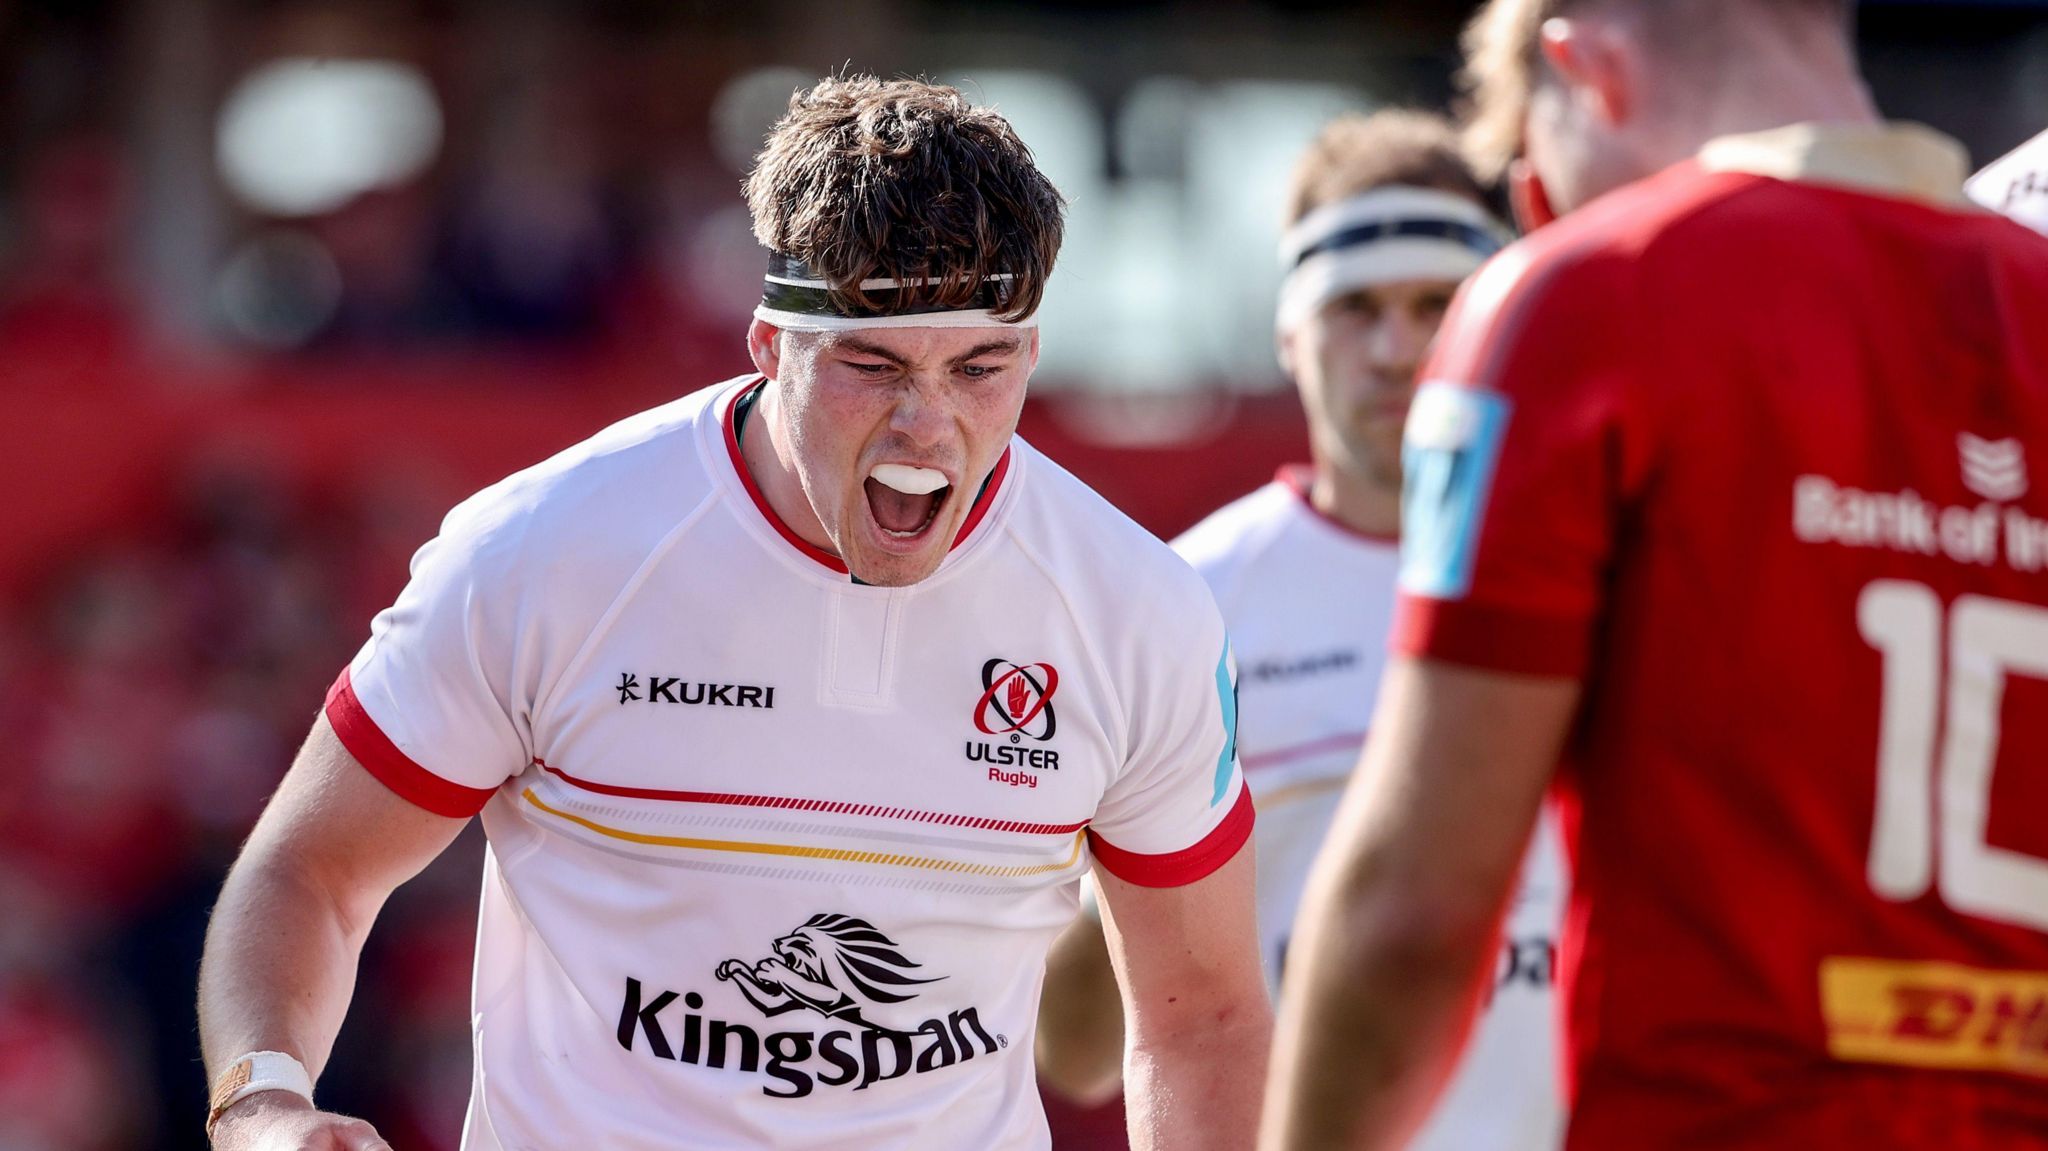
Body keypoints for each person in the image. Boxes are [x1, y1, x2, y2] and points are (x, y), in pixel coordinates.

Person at [196, 75, 1269, 1151]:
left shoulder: (1134, 609)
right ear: (767, 346)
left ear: (1030, 355)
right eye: (872, 366)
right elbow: (308, 871)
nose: (926, 426)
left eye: (979, 368)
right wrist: (263, 1101)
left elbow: (1203, 1013)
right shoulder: (543, 551)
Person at [1260, 1, 2048, 1148]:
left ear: (1586, 69)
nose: (1535, 214)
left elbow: (1413, 914)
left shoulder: (1590, 292)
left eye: (1530, 175)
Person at [1034, 109, 1565, 1149]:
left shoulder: (1599, 569)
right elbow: (1072, 1048)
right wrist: (1176, 840)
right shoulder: (1184, 601)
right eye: (1353, 307)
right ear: (1288, 331)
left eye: (1433, 305)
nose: (1394, 349)